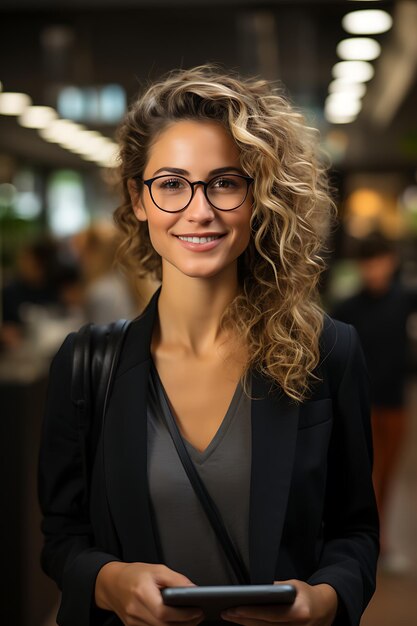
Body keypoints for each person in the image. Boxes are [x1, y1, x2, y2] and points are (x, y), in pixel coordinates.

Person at [39, 66, 379, 626]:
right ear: (139, 198)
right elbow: (63, 537)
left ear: (258, 197)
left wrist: (324, 600)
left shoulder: (328, 353)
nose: (200, 210)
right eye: (171, 183)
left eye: (225, 182)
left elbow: (355, 531)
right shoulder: (86, 365)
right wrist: (109, 582)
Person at [333, 234, 410, 557]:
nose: (375, 270)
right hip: (359, 403)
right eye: (369, 263)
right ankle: (362, 539)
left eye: (381, 261)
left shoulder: (406, 299)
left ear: (391, 263)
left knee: (388, 475)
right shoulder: (347, 306)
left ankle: (381, 538)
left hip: (395, 402)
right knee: (361, 474)